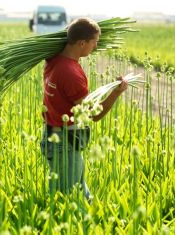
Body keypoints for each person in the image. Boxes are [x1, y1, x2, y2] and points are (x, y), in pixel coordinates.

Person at [40, 17, 128, 201]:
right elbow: (93, 115)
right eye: (94, 42)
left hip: (54, 137)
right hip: (64, 143)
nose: (95, 47)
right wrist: (115, 93)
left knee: (81, 194)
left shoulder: (53, 60)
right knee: (69, 199)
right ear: (81, 43)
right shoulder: (71, 74)